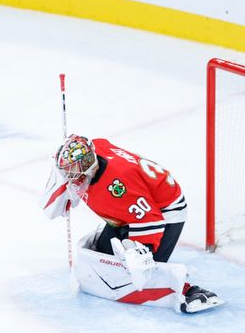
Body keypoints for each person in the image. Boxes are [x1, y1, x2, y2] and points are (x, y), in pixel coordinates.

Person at [41, 134, 223, 313]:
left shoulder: (118, 187)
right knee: (103, 258)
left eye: (72, 170)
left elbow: (151, 219)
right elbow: (101, 145)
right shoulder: (95, 151)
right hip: (131, 209)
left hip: (165, 213)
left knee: (139, 274)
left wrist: (142, 254)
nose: (69, 176)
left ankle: (189, 291)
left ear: (87, 164)